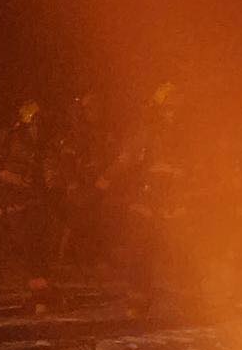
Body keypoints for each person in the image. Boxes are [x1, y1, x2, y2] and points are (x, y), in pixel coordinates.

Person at [98, 81, 193, 316]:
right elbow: (126, 159)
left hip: (175, 197)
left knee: (182, 247)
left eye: (177, 107)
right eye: (169, 107)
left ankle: (189, 296)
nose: (174, 112)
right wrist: (106, 178)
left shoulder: (185, 132)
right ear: (160, 108)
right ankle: (138, 299)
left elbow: (193, 161)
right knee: (141, 248)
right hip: (146, 196)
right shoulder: (145, 131)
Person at [0, 99, 52, 310]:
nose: (37, 126)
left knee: (32, 249)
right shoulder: (7, 137)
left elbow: (47, 175)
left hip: (26, 203)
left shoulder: (46, 142)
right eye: (34, 121)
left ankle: (41, 295)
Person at [47, 92, 112, 277]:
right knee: (76, 220)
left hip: (95, 182)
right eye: (91, 109)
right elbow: (67, 158)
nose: (96, 113)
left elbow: (104, 155)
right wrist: (73, 183)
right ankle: (65, 258)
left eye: (97, 109)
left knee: (92, 219)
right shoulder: (76, 133)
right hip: (78, 183)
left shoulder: (99, 132)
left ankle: (88, 258)